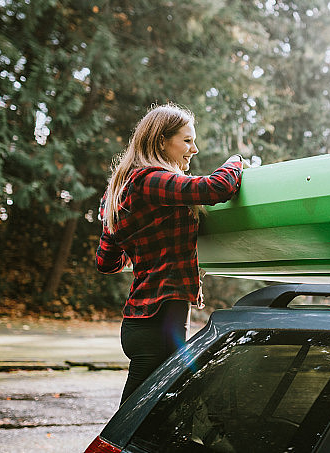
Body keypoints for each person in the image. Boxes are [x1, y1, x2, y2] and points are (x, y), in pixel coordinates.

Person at [95, 103, 246, 405]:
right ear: (162, 141)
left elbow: (106, 261)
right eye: (187, 140)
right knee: (136, 423)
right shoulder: (151, 181)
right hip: (159, 326)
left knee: (163, 416)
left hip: (143, 322)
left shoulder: (121, 190)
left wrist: (142, 247)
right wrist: (237, 160)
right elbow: (217, 188)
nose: (195, 148)